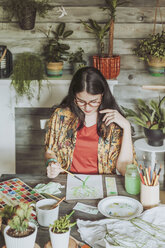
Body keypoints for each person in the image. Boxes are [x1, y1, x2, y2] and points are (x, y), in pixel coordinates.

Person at [45, 66, 136, 178]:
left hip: (102, 182)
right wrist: (51, 163)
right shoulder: (61, 116)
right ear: (74, 96)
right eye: (81, 101)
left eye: (93, 101)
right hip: (67, 181)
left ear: (102, 95)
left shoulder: (113, 121)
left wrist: (126, 126)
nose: (87, 107)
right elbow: (50, 152)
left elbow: (124, 168)